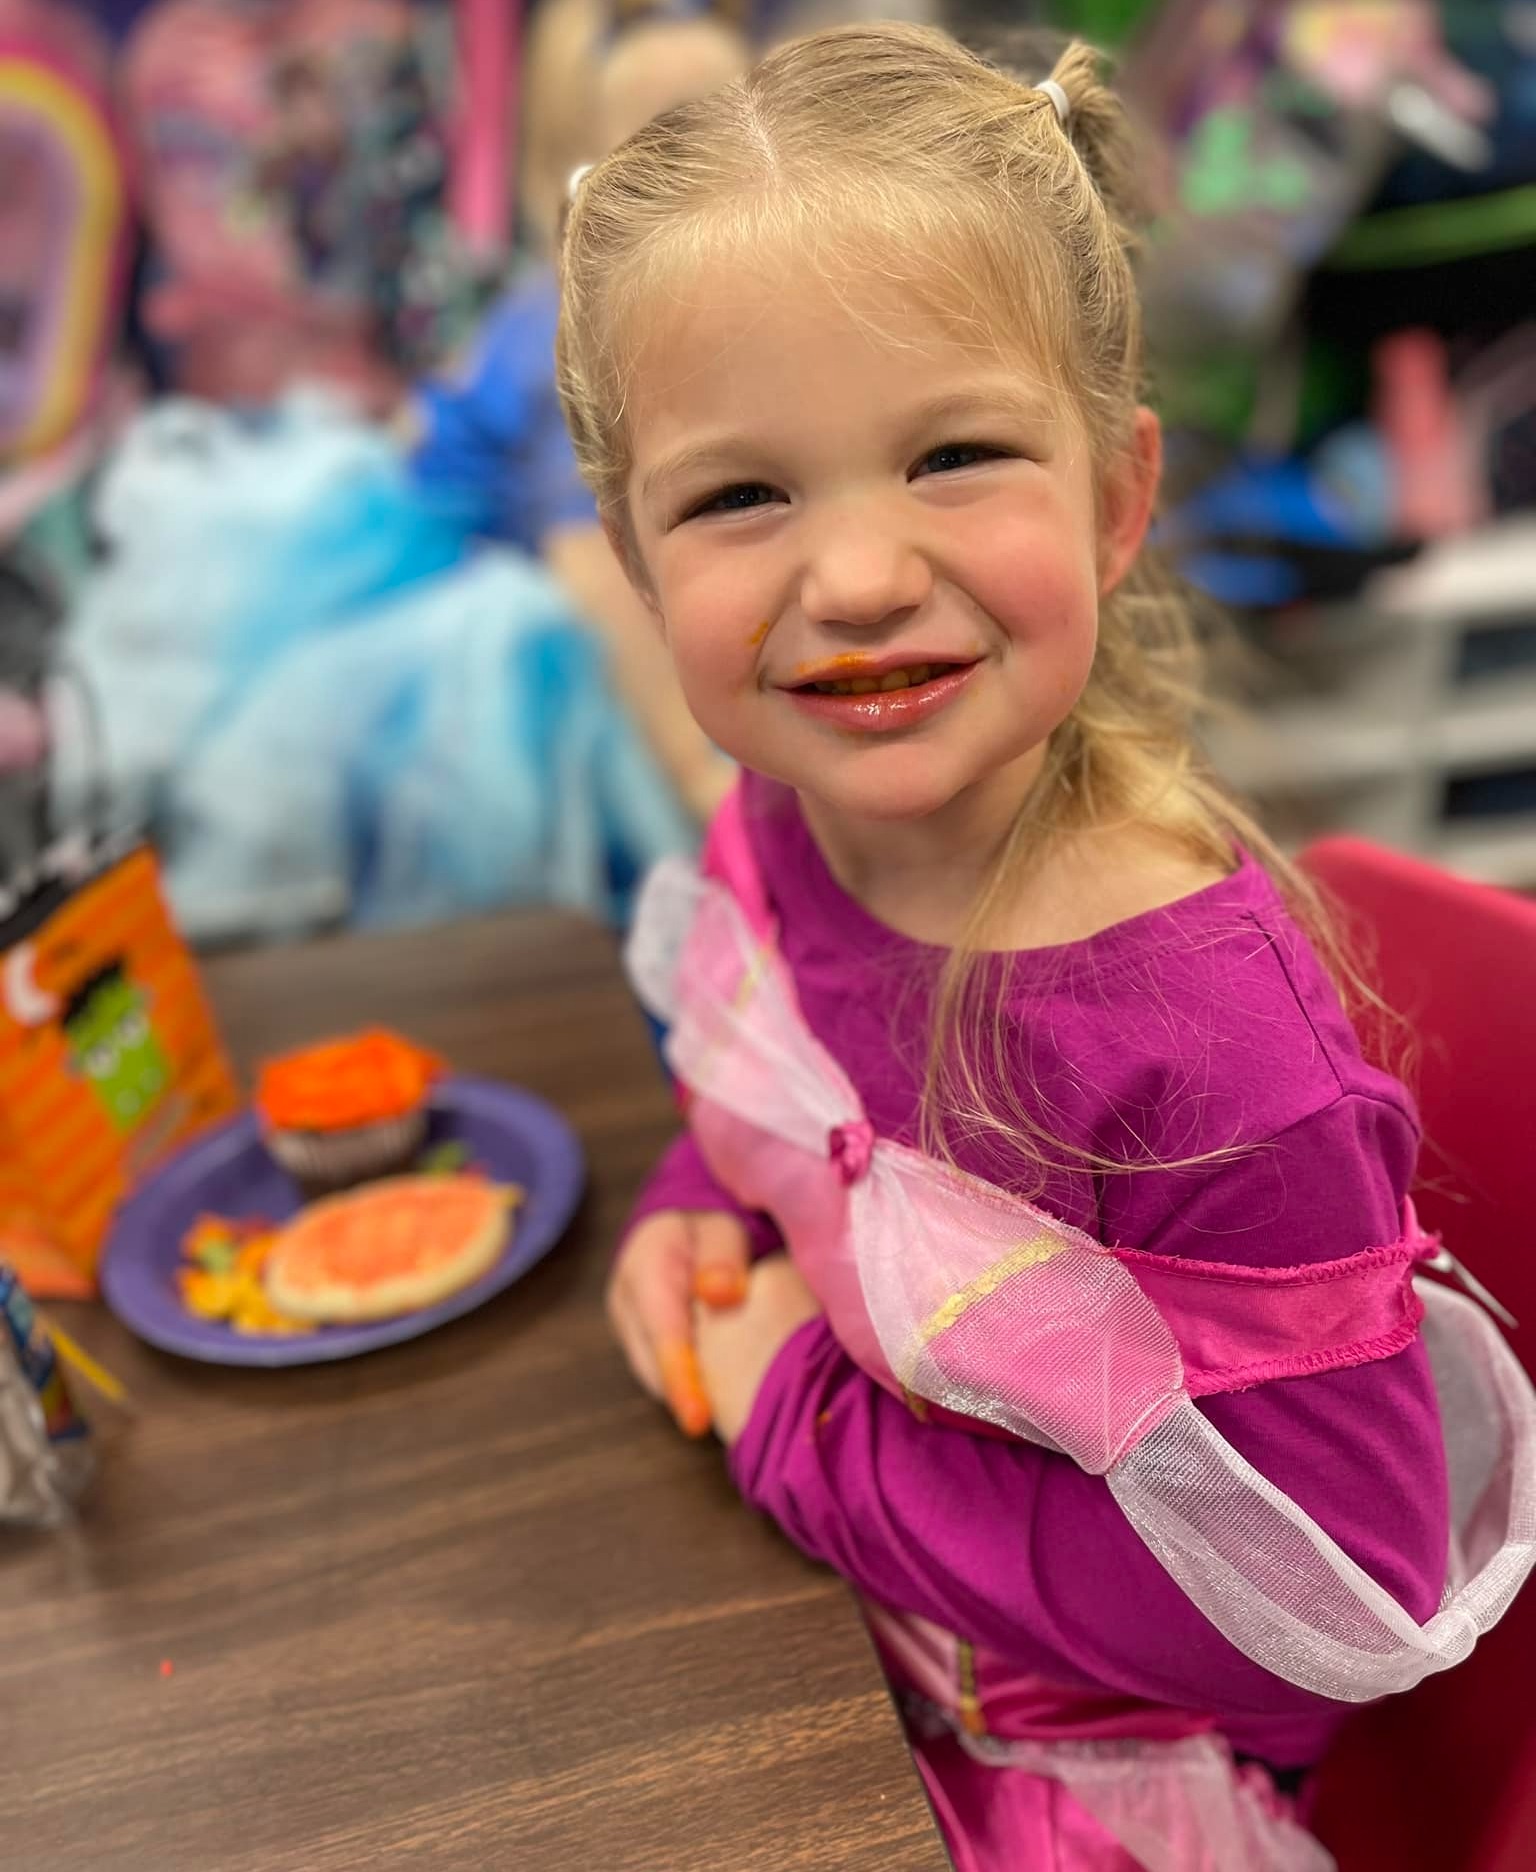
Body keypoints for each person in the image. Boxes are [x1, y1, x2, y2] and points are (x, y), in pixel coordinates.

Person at [560, 23, 1536, 1870]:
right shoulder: (793, 799)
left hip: (1124, 1775)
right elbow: (785, 1073)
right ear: (634, 550)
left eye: (949, 455)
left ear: (1111, 498)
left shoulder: (1204, 1053)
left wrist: (790, 1415)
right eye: (739, 495)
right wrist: (707, 1191)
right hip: (853, 1641)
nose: (851, 579)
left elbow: (1309, 1604)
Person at [410, 0, 742, 819]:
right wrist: (703, 782)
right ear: (578, 173)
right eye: (674, 144)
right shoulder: (580, 339)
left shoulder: (700, 296)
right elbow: (594, 578)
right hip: (522, 620)